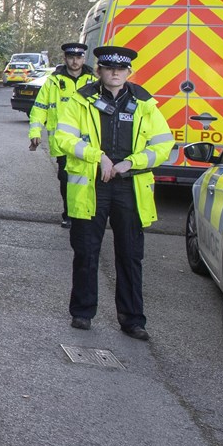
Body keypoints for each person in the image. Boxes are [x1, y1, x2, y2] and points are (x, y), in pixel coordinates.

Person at [50, 45, 174, 340]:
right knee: (86, 252)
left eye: (121, 68)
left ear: (129, 72)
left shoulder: (145, 103)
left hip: (130, 186)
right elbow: (63, 138)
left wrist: (131, 162)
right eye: (109, 68)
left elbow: (163, 145)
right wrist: (98, 157)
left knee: (130, 256)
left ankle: (132, 319)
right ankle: (82, 312)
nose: (115, 72)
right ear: (100, 71)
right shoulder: (80, 101)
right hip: (92, 185)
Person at [27, 42, 97, 229]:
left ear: (84, 58)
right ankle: (70, 213)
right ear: (65, 58)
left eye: (79, 57)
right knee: (67, 179)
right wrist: (35, 132)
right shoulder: (53, 81)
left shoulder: (94, 80)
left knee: (88, 178)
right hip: (63, 141)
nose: (75, 61)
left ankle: (86, 212)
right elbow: (39, 108)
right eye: (71, 57)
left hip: (90, 141)